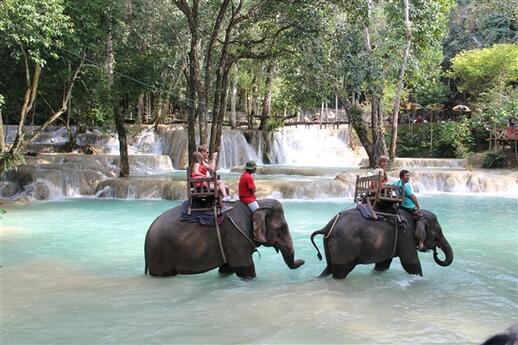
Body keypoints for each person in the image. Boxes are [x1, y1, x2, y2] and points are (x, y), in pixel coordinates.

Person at [391, 170, 425, 250]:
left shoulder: (396, 183)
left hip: (400, 205)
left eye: (408, 175)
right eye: (406, 176)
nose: (408, 177)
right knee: (420, 219)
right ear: (402, 177)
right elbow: (413, 197)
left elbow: (390, 188)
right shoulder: (406, 186)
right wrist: (418, 206)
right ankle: (421, 243)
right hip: (409, 207)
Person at [239, 160, 264, 243]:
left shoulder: (244, 175)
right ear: (252, 169)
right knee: (259, 213)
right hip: (247, 198)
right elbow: (253, 190)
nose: (256, 169)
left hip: (244, 197)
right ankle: (257, 234)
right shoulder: (249, 177)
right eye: (255, 167)